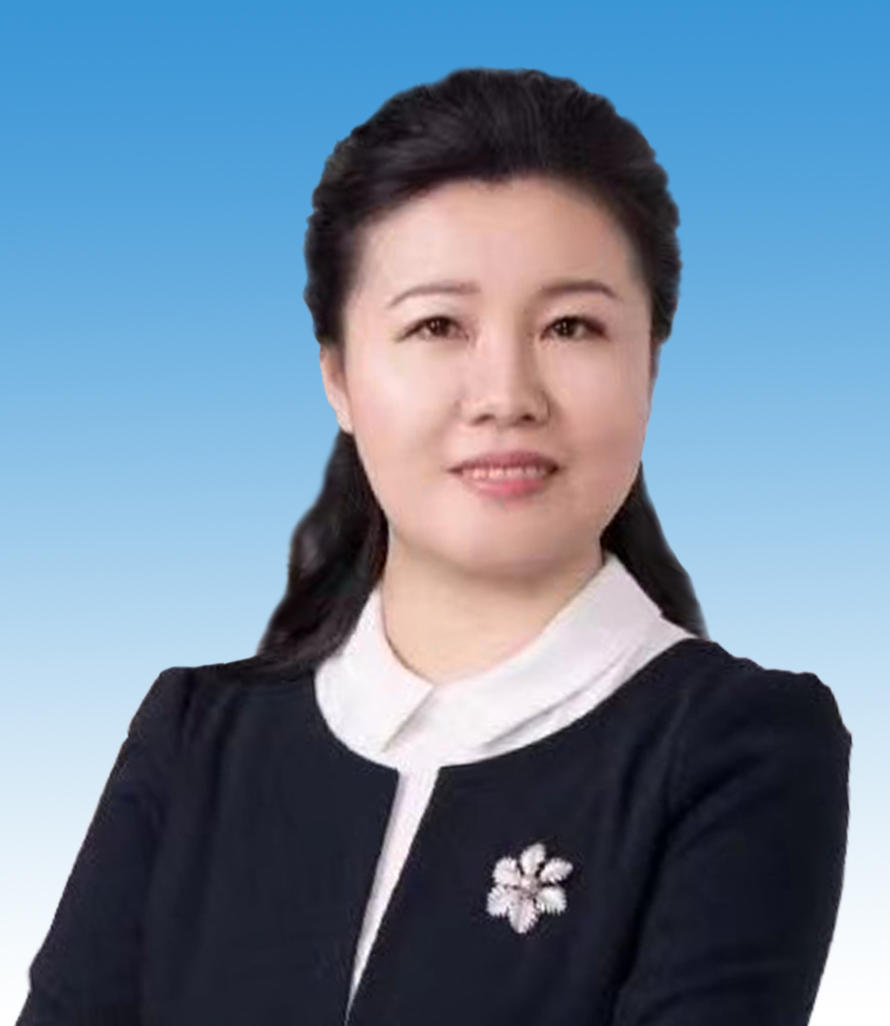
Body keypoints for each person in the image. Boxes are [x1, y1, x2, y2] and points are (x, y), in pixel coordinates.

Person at [17, 67, 851, 1025]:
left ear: (650, 364)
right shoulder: (195, 738)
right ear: (338, 375)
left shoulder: (741, 747)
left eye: (571, 326)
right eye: (437, 325)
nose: (506, 395)